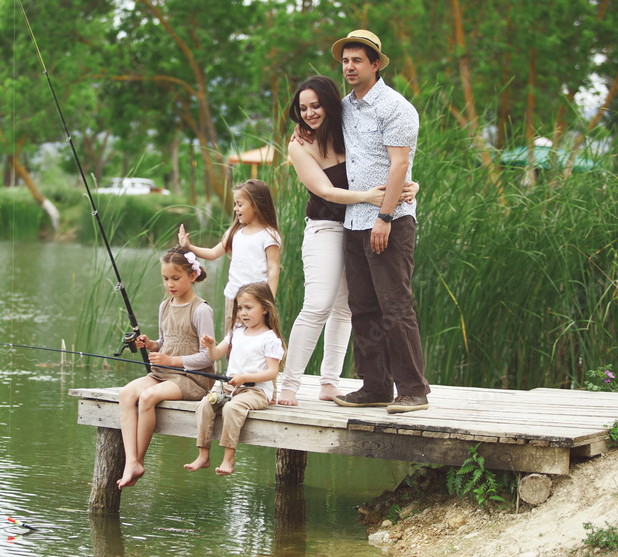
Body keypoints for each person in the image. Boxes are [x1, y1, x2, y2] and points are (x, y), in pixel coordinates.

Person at [280, 75, 418, 407]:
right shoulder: (299, 144)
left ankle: (330, 382)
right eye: (303, 109)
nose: (310, 114)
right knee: (318, 304)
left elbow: (388, 164)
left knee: (346, 308)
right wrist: (370, 198)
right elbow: (325, 191)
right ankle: (289, 384)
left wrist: (409, 188)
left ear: (330, 103)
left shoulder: (348, 131)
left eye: (316, 106)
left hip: (358, 228)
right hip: (325, 228)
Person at [326, 29, 431, 414]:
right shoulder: (346, 106)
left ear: (375, 64)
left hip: (389, 220)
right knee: (363, 306)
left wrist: (385, 216)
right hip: (354, 221)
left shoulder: (395, 107)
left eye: (357, 60)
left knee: (395, 305)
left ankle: (414, 390)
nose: (349, 67)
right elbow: (317, 129)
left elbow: (400, 163)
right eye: (345, 61)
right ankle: (375, 387)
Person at [116, 246, 216, 489]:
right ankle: (131, 462)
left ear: (192, 276)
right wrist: (151, 344)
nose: (170, 284)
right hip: (164, 373)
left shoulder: (201, 310)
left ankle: (139, 459)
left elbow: (208, 356)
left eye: (175, 278)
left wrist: (172, 361)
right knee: (126, 393)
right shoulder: (165, 306)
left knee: (148, 397)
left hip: (193, 379)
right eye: (165, 279)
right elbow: (165, 342)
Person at [184, 282, 285, 476]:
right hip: (229, 387)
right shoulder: (235, 333)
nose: (243, 313)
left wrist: (244, 378)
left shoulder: (270, 338)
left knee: (232, 407)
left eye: (249, 307)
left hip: (256, 390)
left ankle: (228, 459)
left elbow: (272, 372)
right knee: (205, 404)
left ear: (265, 308)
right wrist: (211, 346)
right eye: (240, 308)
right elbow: (215, 355)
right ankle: (203, 455)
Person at [178, 179, 281, 337]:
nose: (235, 208)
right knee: (231, 344)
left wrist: (269, 300)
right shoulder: (235, 233)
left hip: (256, 301)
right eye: (235, 204)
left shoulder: (268, 235)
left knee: (254, 343)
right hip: (233, 299)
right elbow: (213, 253)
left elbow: (273, 269)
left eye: (240, 204)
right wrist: (189, 247)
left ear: (255, 205)